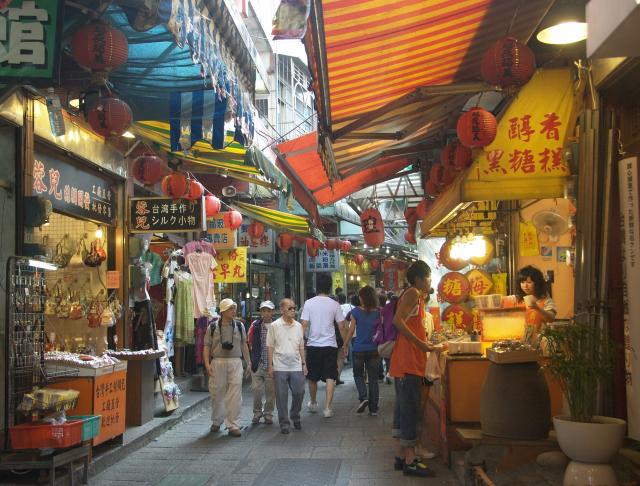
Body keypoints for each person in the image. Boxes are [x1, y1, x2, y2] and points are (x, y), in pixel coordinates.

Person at [390, 261, 443, 477]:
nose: (430, 280)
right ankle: (410, 462)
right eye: (428, 277)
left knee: (403, 410)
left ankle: (401, 456)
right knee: (410, 411)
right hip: (407, 363)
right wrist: (420, 344)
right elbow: (397, 321)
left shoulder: (416, 296)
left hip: (406, 362)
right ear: (419, 279)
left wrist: (423, 342)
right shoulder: (412, 293)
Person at [301, 273, 347, 418]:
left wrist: (299, 342)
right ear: (330, 286)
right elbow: (342, 326)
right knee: (330, 376)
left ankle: (313, 402)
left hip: (313, 344)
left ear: (317, 286)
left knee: (312, 376)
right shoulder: (335, 304)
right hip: (330, 345)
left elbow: (303, 325)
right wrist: (345, 344)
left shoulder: (309, 303)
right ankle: (327, 408)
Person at [204, 299, 251, 437]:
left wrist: (248, 362)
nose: (233, 311)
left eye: (234, 308)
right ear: (223, 311)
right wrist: (207, 364)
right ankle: (216, 420)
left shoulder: (240, 326)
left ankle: (233, 424)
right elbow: (206, 346)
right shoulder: (212, 327)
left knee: (235, 393)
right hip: (217, 361)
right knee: (216, 392)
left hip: (235, 361)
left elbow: (244, 344)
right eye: (230, 308)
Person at [267, 298, 307, 434]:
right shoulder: (274, 326)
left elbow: (301, 346)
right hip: (279, 366)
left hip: (296, 365)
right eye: (290, 308)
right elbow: (270, 346)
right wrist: (270, 366)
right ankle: (284, 422)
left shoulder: (298, 326)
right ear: (282, 309)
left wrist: (304, 363)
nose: (293, 310)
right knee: (281, 396)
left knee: (299, 392)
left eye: (294, 308)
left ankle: (295, 415)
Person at [343, 286, 381, 415]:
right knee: (373, 379)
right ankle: (373, 409)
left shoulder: (356, 312)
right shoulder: (378, 312)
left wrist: (345, 345)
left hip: (359, 348)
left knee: (358, 375)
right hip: (374, 349)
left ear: (362, 298)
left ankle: (363, 397)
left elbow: (351, 330)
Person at [504, 265, 557, 336]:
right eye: (522, 282)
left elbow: (551, 318)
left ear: (537, 283)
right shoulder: (516, 299)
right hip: (518, 339)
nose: (525, 286)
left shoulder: (546, 300)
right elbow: (501, 300)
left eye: (529, 282)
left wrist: (537, 308)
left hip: (538, 340)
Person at [247, 301, 276, 425]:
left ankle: (268, 414)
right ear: (260, 312)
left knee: (271, 392)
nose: (266, 313)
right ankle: (257, 412)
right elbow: (249, 341)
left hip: (272, 364)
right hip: (257, 363)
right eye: (263, 311)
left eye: (268, 311)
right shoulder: (255, 325)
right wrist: (251, 360)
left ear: (272, 312)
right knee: (256, 390)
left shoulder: (277, 326)